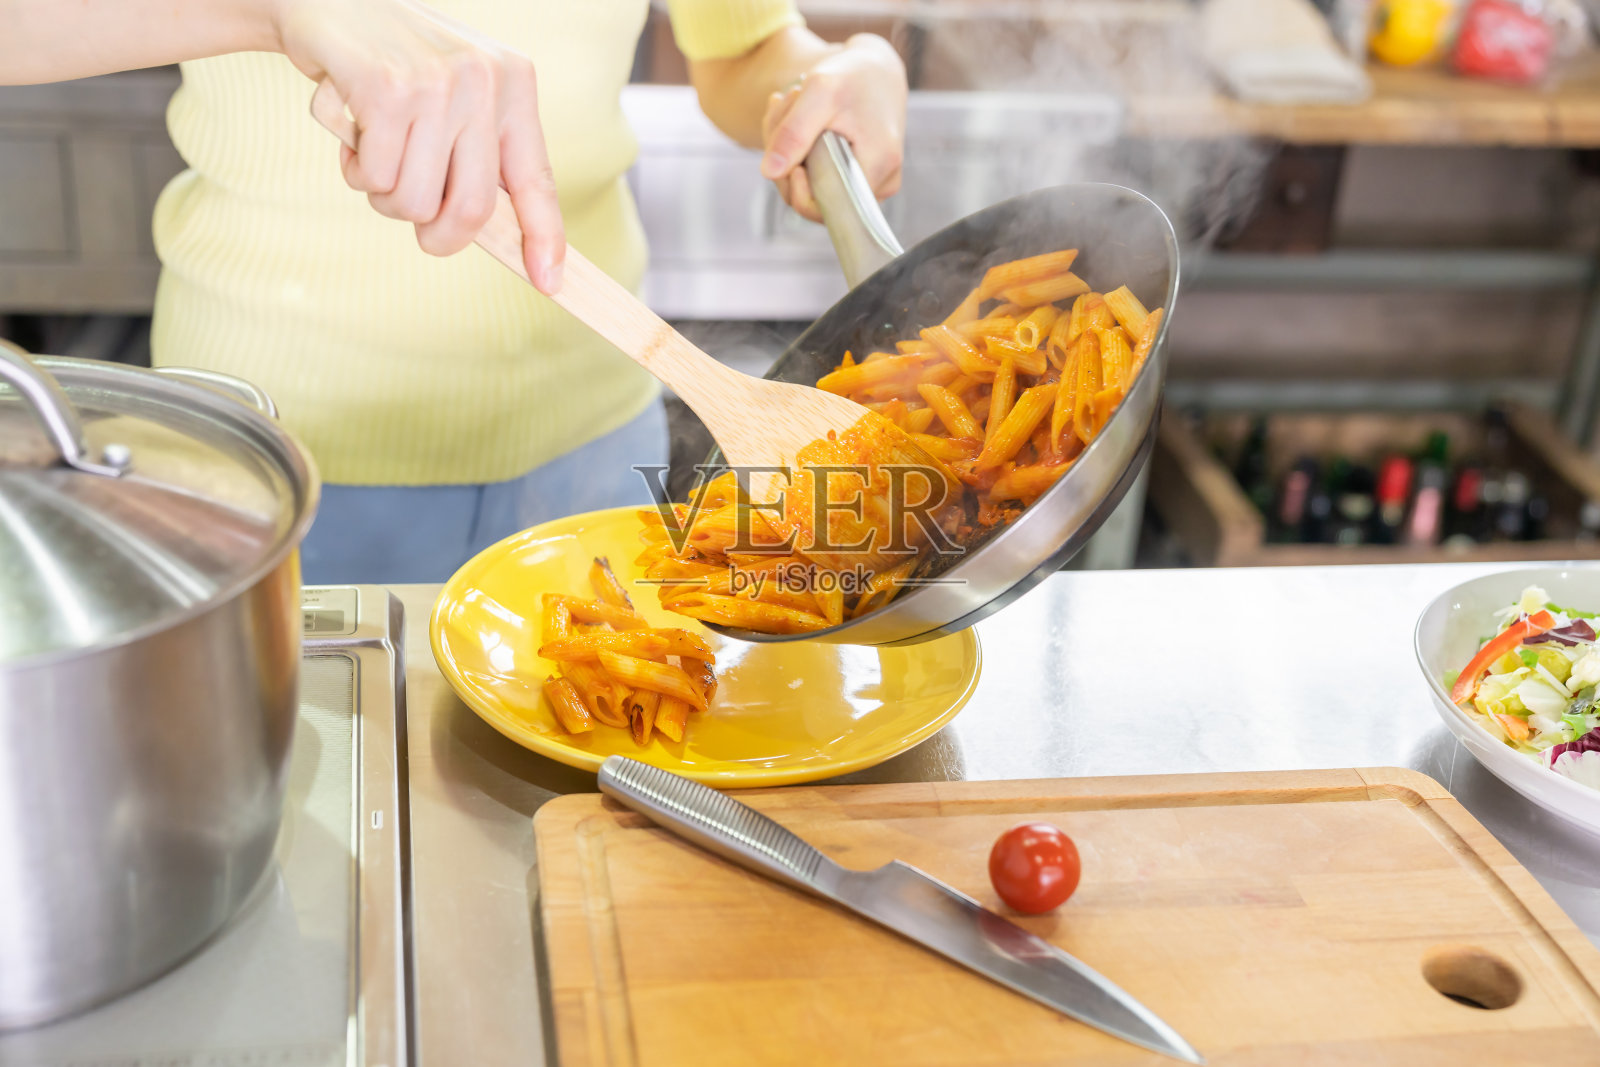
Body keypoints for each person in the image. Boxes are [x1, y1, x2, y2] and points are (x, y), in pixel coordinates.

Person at [0, 0, 907, 582]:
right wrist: (281, 10)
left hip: (597, 439)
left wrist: (823, 78)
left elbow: (740, 47)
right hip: (281, 462)